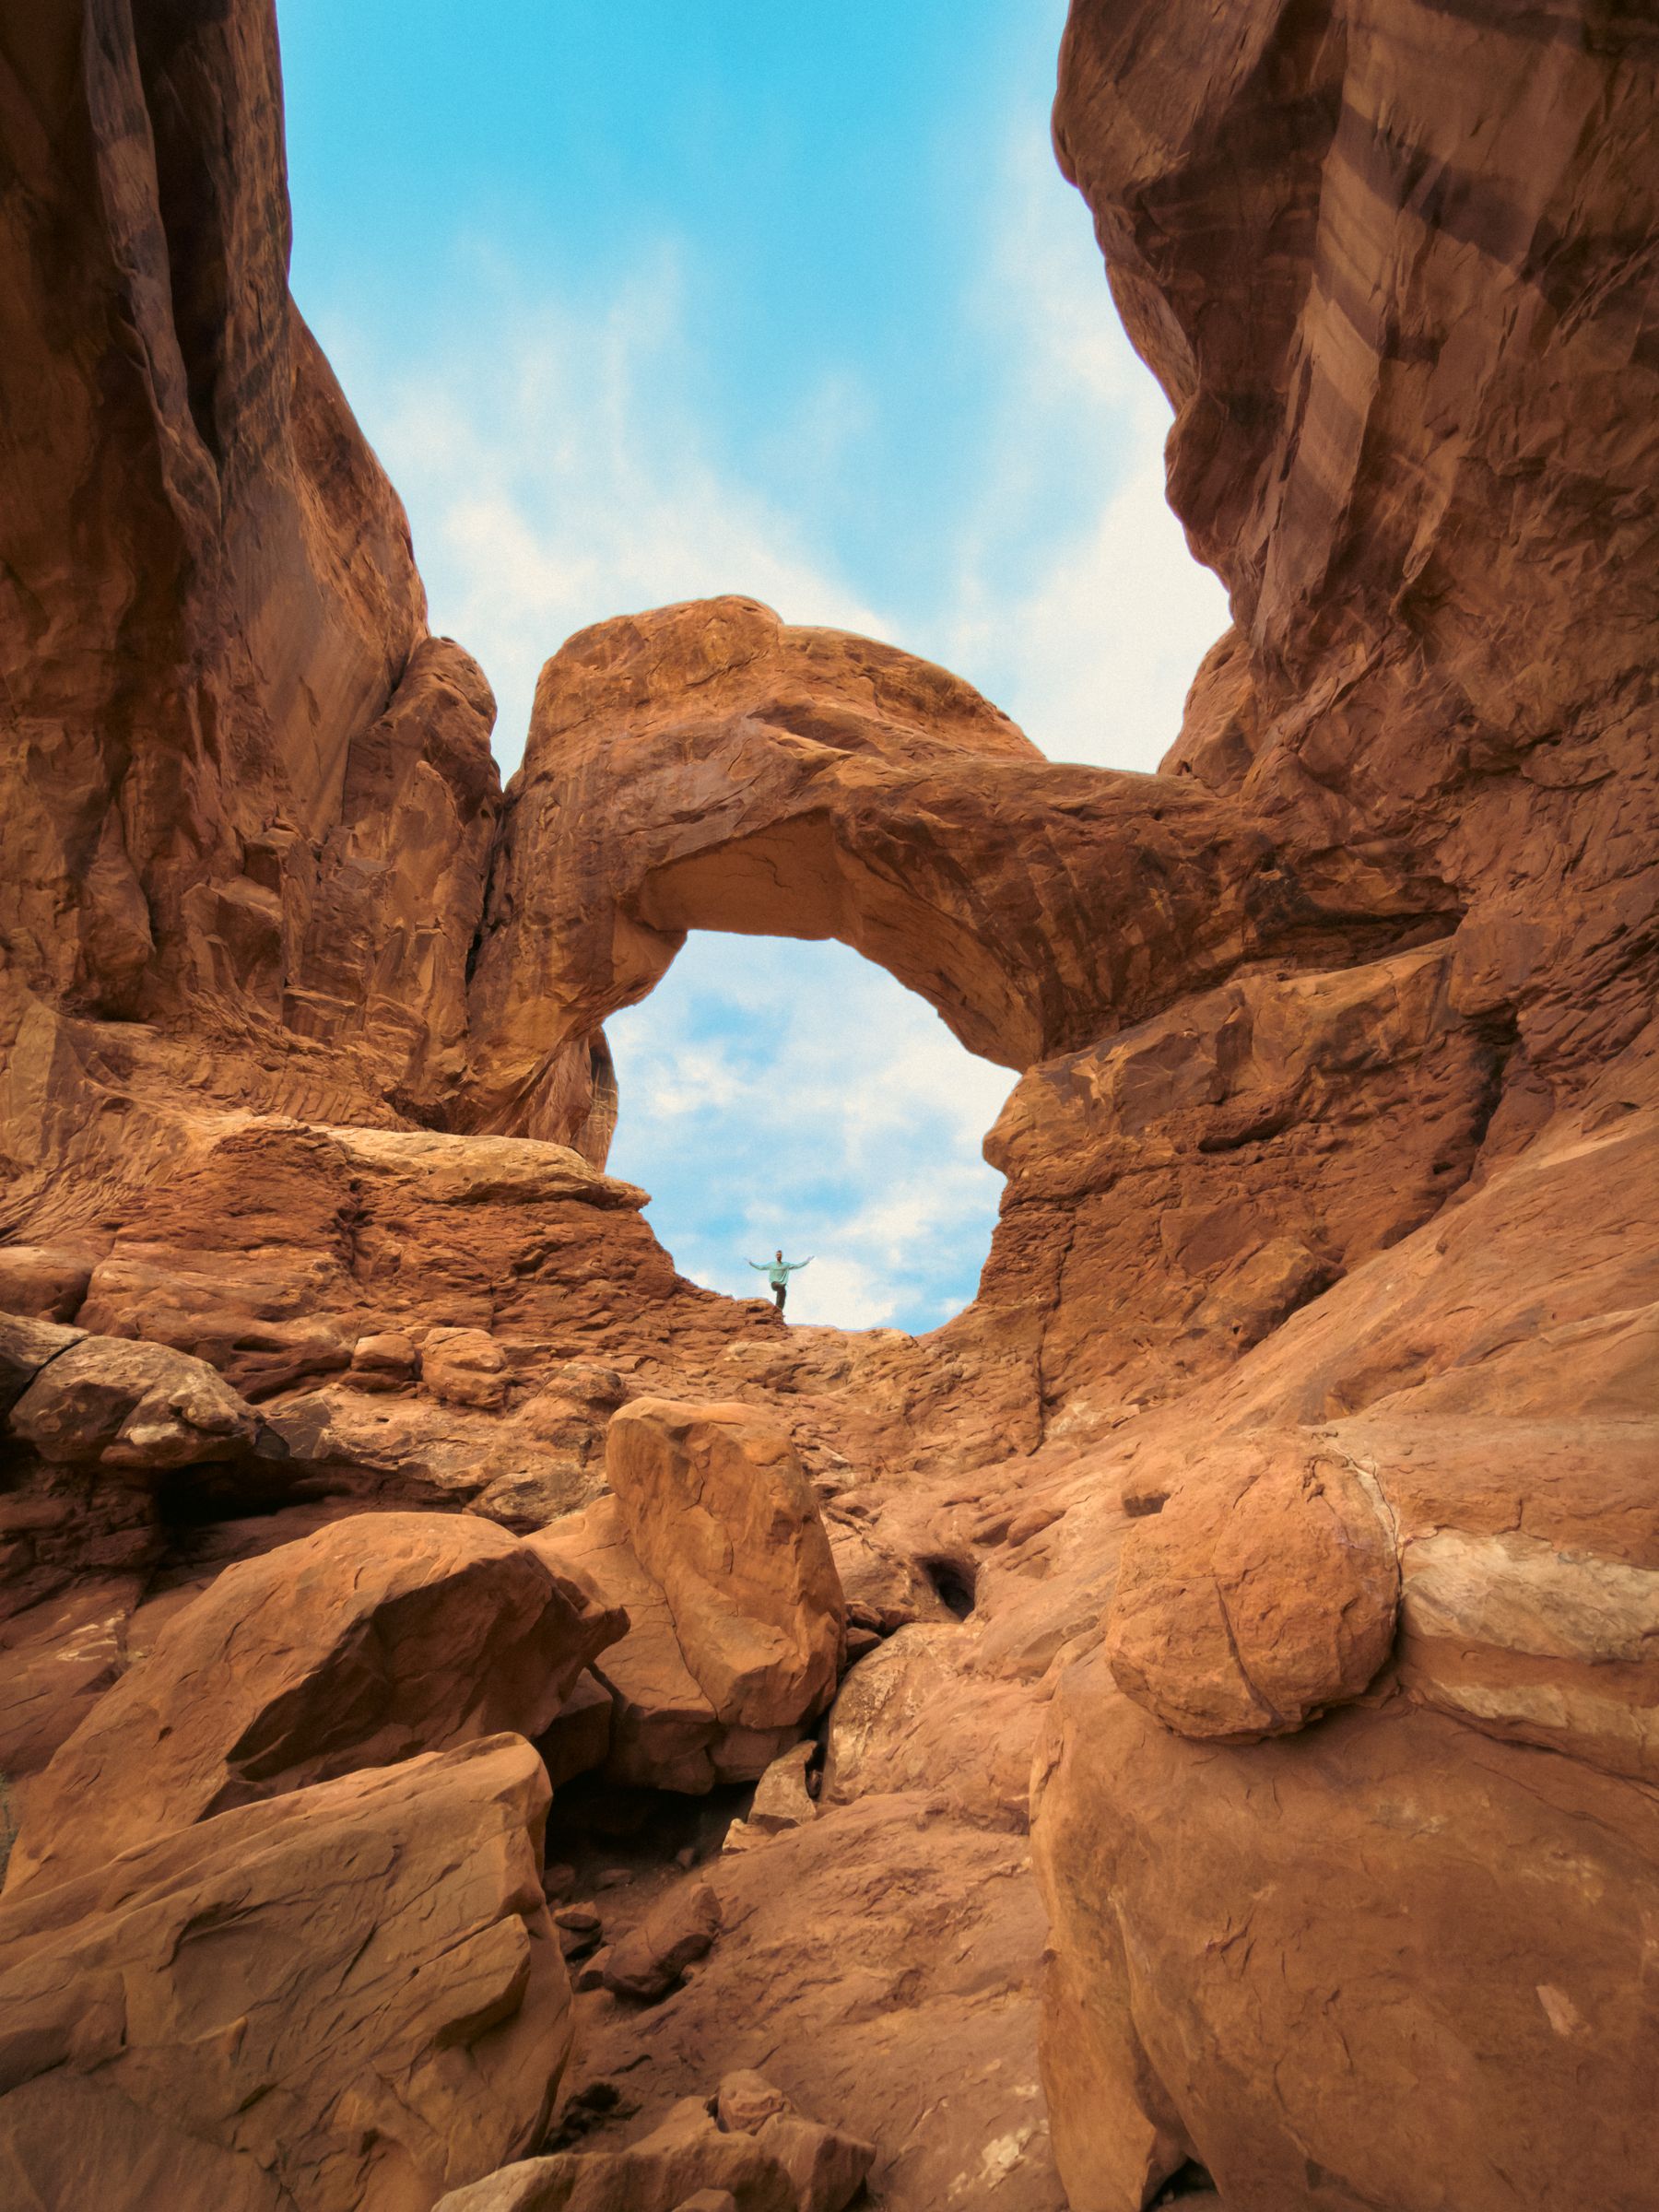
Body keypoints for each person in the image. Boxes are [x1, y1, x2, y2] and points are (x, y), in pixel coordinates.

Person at [748, 1248, 812, 1315]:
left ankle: (778, 1310)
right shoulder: (771, 1264)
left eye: (780, 1255)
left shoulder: (786, 1265)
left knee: (783, 1293)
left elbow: (797, 1266)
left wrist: (807, 1261)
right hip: (774, 1284)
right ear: (775, 1256)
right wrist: (751, 1263)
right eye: (777, 1255)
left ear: (782, 1256)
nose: (778, 1256)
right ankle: (777, 1308)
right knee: (781, 1287)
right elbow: (760, 1268)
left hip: (782, 1285)